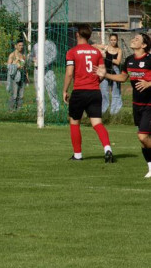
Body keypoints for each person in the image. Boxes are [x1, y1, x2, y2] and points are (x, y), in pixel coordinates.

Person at [98, 33, 151, 176]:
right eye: (134, 38)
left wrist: (149, 83)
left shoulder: (149, 60)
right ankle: (150, 168)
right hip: (137, 104)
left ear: (144, 45)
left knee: (142, 136)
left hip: (149, 104)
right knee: (143, 141)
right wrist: (105, 75)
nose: (133, 40)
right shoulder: (129, 60)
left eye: (137, 39)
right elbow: (122, 77)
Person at [63, 24, 113, 162]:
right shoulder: (96, 52)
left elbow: (69, 73)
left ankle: (77, 155)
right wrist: (95, 80)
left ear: (77, 34)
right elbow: (102, 72)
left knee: (74, 123)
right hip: (95, 91)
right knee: (97, 123)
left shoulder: (72, 52)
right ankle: (107, 148)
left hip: (79, 91)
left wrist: (65, 90)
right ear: (89, 35)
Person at [94, 33, 123, 116]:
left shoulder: (119, 50)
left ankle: (114, 112)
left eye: (114, 40)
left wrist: (106, 57)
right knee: (104, 91)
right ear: (109, 40)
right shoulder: (106, 47)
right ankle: (103, 112)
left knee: (116, 92)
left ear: (117, 40)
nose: (113, 41)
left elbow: (118, 62)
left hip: (115, 70)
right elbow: (93, 45)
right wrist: (100, 52)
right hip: (105, 70)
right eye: (111, 40)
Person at [30, 38, 60, 112]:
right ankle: (41, 110)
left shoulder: (50, 44)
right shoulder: (35, 45)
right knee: (39, 90)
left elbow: (54, 55)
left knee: (52, 89)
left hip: (48, 70)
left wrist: (44, 63)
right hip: (37, 70)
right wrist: (33, 59)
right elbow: (31, 56)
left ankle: (56, 109)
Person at [6, 39, 27, 111]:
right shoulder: (12, 55)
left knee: (21, 94)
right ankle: (11, 109)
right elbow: (8, 66)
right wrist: (15, 64)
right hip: (15, 76)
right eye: (19, 45)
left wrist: (27, 76)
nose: (21, 47)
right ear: (16, 46)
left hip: (22, 76)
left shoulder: (23, 55)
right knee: (14, 94)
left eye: (22, 45)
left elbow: (25, 67)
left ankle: (19, 109)